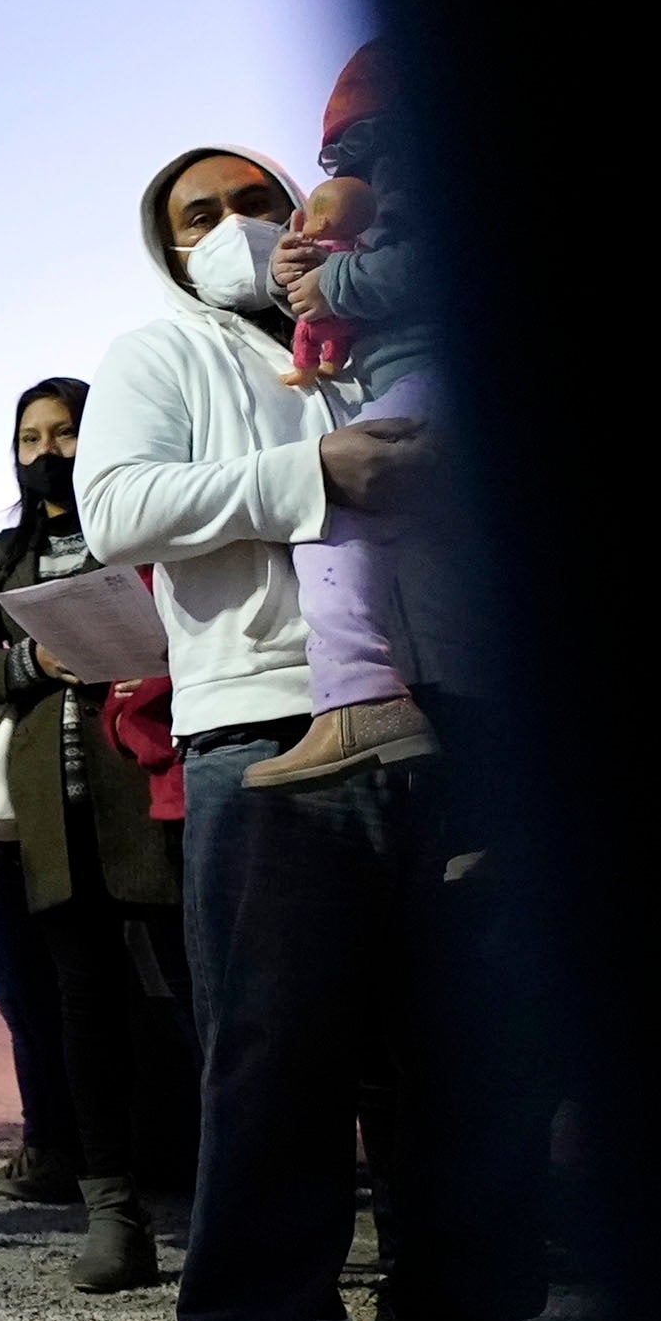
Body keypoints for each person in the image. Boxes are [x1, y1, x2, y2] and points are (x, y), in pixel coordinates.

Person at [79, 140, 583, 1321]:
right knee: (274, 1069)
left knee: (473, 1077)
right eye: (203, 213)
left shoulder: (387, 335)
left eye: (261, 199)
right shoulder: (162, 354)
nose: (239, 225)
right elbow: (116, 505)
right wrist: (316, 476)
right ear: (168, 244)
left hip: (455, 723)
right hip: (265, 729)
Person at [0, 379, 198, 1290]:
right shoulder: (2, 554)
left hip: (160, 797)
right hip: (54, 820)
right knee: (80, 1015)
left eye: (65, 432)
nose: (47, 450)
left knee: (202, 1002)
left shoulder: (143, 527)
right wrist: (34, 659)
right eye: (29, 437)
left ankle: (243, 1208)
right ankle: (114, 1215)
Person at [248, 40, 458, 789]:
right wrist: (297, 279)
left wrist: (332, 282)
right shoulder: (377, 183)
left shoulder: (409, 165)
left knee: (330, 521)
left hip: (429, 376)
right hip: (407, 381)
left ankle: (357, 698)